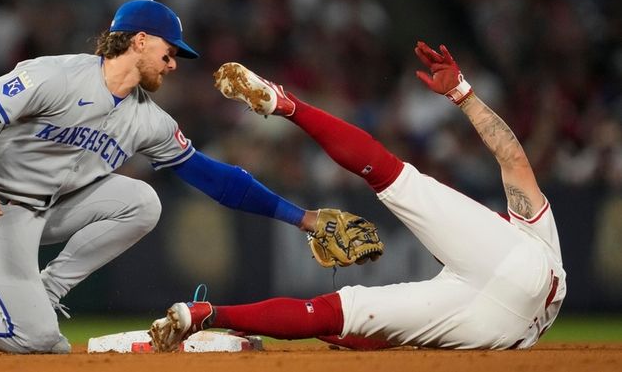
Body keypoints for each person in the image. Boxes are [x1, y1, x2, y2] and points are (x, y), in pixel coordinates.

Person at [0, 0, 355, 354]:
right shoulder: (58, 75)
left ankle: (48, 290)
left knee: (144, 203)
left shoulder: (148, 120)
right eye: (169, 51)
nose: (173, 64)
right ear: (138, 41)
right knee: (39, 340)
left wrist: (304, 219)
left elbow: (217, 179)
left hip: (44, 211)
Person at [149, 42, 566, 351]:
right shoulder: (510, 250)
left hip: (506, 293)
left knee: (390, 174)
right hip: (506, 334)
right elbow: (361, 334)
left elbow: (512, 157)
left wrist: (462, 94)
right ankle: (201, 316)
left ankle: (286, 103)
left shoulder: (527, 231)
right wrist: (248, 325)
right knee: (338, 311)